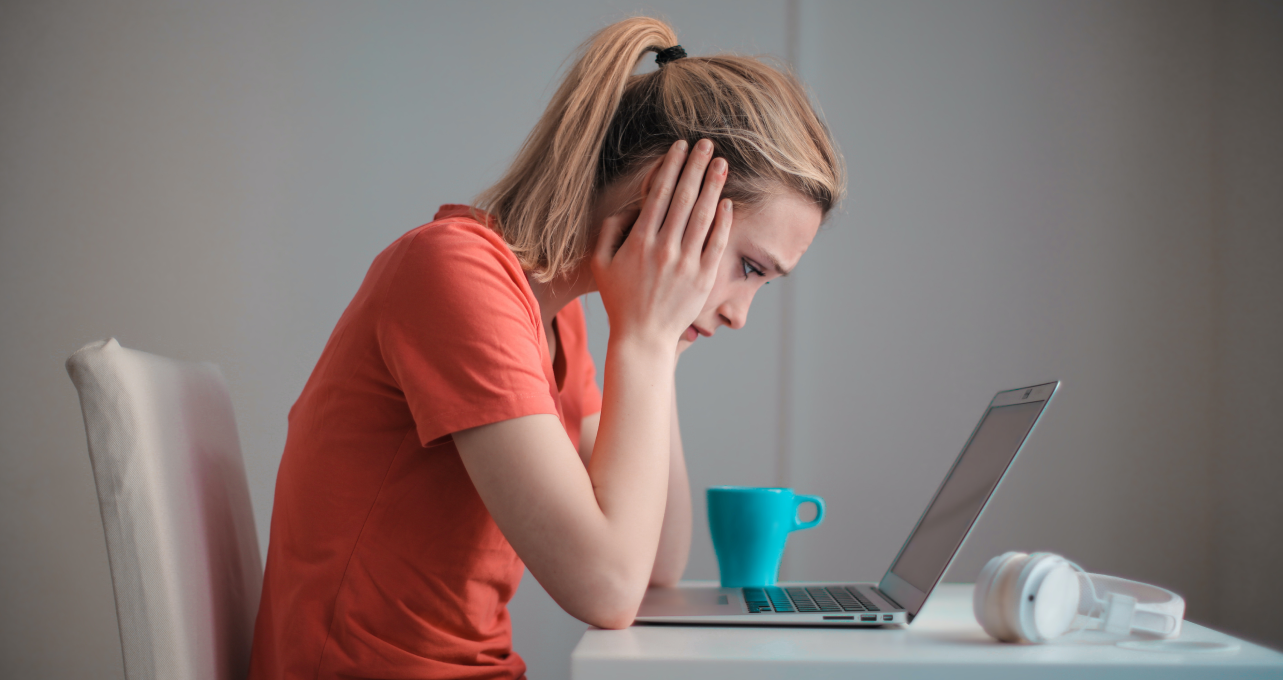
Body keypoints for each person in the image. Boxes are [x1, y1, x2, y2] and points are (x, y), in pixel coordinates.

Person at [248, 15, 844, 680]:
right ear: (665, 197)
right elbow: (607, 589)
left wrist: (660, 344)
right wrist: (645, 342)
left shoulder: (559, 322)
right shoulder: (454, 275)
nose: (740, 314)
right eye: (750, 268)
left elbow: (655, 565)